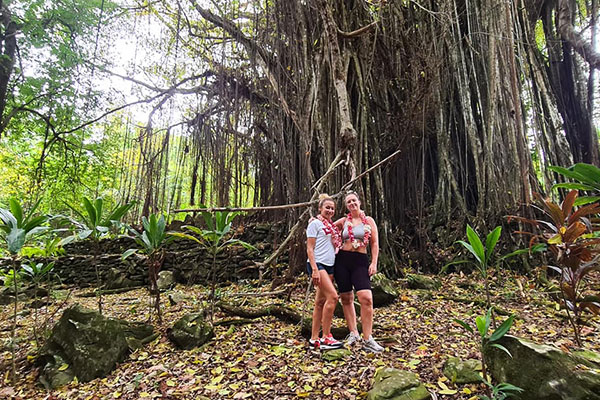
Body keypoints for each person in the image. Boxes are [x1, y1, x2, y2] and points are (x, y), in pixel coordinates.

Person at [334, 191, 384, 353]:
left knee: (366, 298)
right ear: (346, 205)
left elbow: (375, 243)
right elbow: (326, 229)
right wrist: (317, 220)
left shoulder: (368, 221)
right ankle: (353, 333)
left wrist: (374, 262)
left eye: (354, 200)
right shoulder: (343, 221)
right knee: (346, 297)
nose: (352, 204)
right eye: (348, 202)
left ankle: (368, 338)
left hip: (360, 262)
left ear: (359, 202)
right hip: (342, 261)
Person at [306, 194, 343, 350]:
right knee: (333, 297)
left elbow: (346, 222)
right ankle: (326, 336)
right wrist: (314, 269)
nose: (329, 210)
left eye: (332, 208)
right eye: (327, 207)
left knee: (320, 302)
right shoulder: (314, 224)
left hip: (330, 265)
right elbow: (309, 248)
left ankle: (314, 338)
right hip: (318, 265)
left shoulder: (331, 226)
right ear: (320, 208)